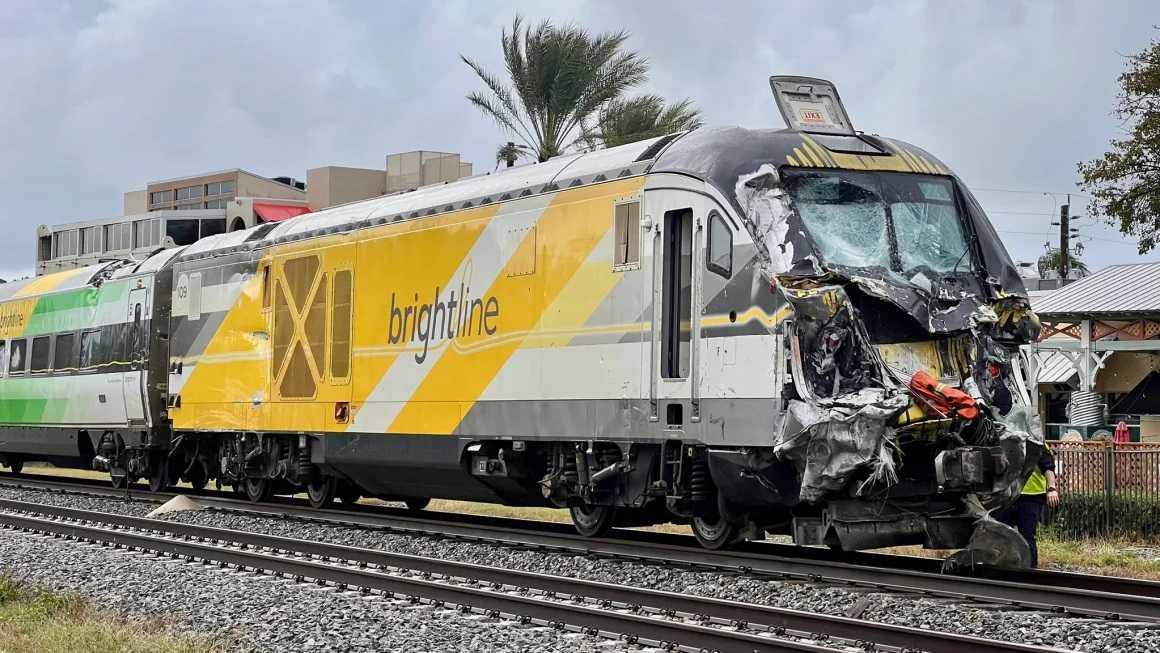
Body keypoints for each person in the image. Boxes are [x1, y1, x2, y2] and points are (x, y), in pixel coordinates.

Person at [997, 446, 1059, 567]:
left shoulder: (1035, 441)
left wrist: (1051, 488)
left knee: (1027, 536)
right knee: (1001, 534)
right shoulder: (1004, 436)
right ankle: (1002, 569)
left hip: (1030, 495)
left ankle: (1030, 570)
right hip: (1007, 495)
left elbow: (1048, 466)